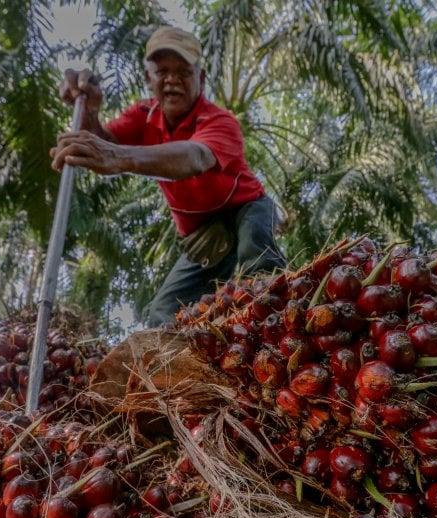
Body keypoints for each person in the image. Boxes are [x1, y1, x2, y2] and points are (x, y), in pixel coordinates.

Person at [51, 26, 285, 327]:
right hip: (202, 236)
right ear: (148, 79)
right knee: (162, 313)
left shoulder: (219, 121)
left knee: (261, 270)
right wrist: (90, 112)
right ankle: (185, 355)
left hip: (246, 210)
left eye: (183, 72)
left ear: (200, 78)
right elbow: (102, 140)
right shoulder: (142, 115)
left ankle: (279, 326)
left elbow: (195, 157)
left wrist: (118, 156)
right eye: (162, 72)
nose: (172, 80)